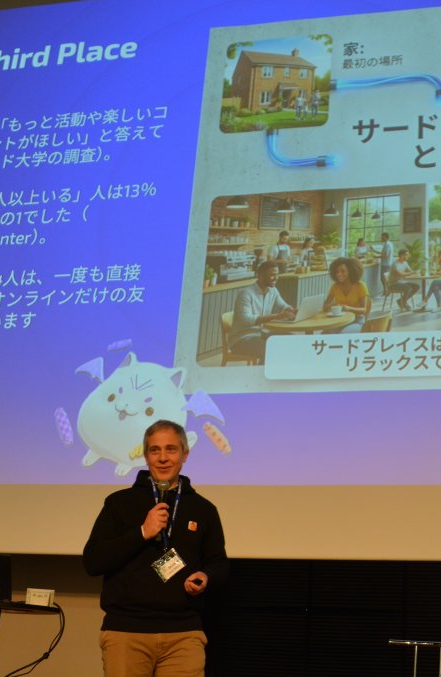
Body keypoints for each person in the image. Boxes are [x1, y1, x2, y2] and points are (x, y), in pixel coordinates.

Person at [84, 420, 228, 677]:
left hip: (184, 634)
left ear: (185, 454)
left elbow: (218, 563)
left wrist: (205, 576)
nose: (163, 458)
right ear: (145, 455)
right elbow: (93, 561)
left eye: (171, 449)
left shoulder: (203, 509)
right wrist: (142, 532)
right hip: (126, 631)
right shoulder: (119, 503)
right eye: (155, 450)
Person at [227, 260, 295, 361]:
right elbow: (247, 320)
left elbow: (283, 306)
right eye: (272, 275)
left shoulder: (273, 291)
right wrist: (277, 316)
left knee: (291, 339)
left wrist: (293, 310)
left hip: (260, 334)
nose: (276, 278)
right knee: (269, 349)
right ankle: (263, 371)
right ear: (261, 276)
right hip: (241, 339)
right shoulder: (246, 294)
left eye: (277, 275)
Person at [323, 256, 371, 332]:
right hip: (340, 320)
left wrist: (348, 308)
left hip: (357, 321)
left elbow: (364, 310)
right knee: (326, 332)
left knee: (343, 334)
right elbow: (325, 306)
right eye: (337, 272)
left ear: (351, 271)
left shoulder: (360, 286)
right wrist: (332, 305)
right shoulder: (335, 286)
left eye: (343, 271)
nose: (339, 274)